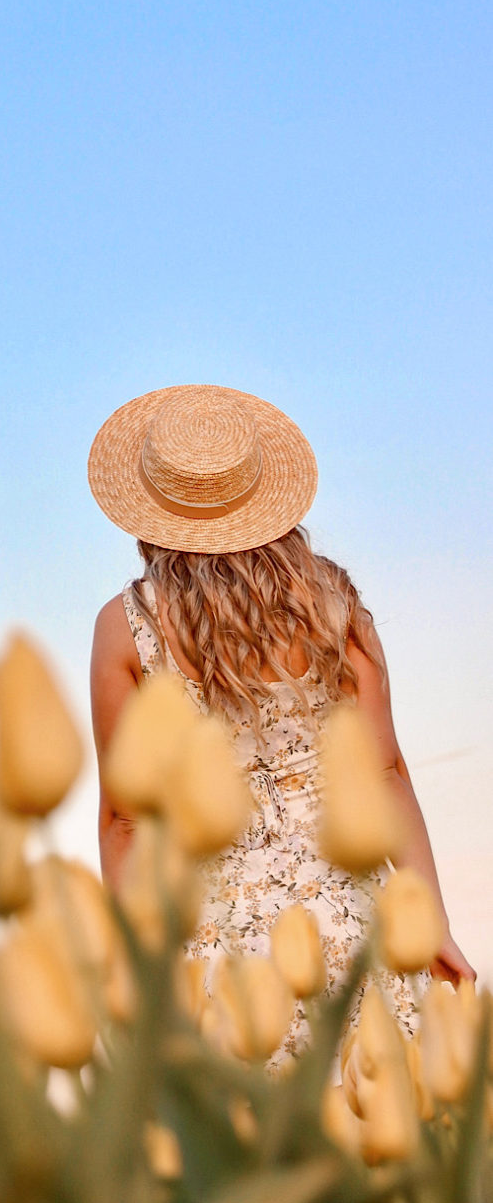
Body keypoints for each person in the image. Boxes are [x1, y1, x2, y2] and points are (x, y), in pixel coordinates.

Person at [87, 384, 474, 1048]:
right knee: (380, 1123)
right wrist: (431, 922)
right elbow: (385, 776)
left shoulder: (128, 628)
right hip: (354, 916)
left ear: (150, 511)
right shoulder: (335, 604)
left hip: (215, 943)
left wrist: (135, 965)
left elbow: (126, 821)